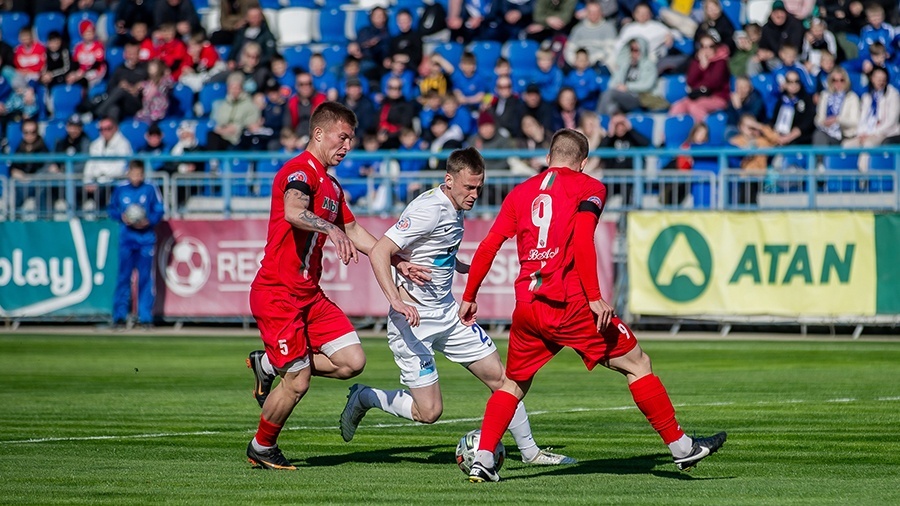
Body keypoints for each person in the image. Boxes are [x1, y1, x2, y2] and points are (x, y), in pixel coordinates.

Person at [458, 128, 727, 482]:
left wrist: (469, 296)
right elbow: (583, 238)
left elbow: (489, 246)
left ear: (548, 157)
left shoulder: (520, 193)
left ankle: (483, 460)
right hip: (570, 303)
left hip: (528, 306)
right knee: (638, 363)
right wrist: (594, 296)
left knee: (513, 384)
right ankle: (681, 447)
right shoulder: (589, 187)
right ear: (583, 162)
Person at [338, 147, 577, 467]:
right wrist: (395, 299)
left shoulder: (455, 205)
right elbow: (381, 250)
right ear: (449, 180)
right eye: (469, 187)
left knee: (504, 379)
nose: (474, 194)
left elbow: (434, 248)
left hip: (449, 315)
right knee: (429, 412)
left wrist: (458, 265)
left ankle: (531, 452)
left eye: (479, 187)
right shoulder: (428, 209)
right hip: (414, 320)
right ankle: (365, 396)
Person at [243, 102, 430, 470]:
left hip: (309, 295)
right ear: (318, 134)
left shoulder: (332, 184)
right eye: (342, 137)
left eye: (351, 139)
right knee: (298, 381)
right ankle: (262, 446)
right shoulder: (300, 171)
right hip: (278, 293)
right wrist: (330, 228)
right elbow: (293, 211)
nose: (348, 146)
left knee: (352, 361)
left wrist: (396, 259)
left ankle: (268, 363)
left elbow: (354, 229)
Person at [108, 160, 165, 329]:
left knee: (145, 278)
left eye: (139, 174)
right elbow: (111, 209)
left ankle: (145, 317)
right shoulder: (121, 189)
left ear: (143, 174)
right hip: (127, 239)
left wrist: (149, 221)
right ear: (128, 173)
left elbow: (159, 209)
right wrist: (122, 217)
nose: (136, 177)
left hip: (145, 240)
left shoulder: (150, 188)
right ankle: (119, 316)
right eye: (133, 174)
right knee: (123, 278)